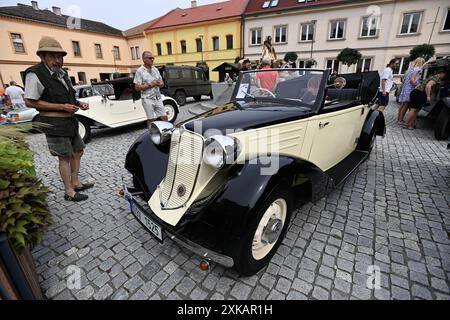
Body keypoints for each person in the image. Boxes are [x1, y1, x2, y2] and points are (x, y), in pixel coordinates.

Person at [24, 36, 93, 202]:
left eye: (59, 56)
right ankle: (69, 191)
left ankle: (76, 183)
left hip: (69, 121)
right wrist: (62, 107)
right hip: (54, 123)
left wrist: (78, 103)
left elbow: (66, 96)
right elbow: (30, 101)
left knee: (78, 151)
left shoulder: (62, 73)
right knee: (64, 157)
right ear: (42, 56)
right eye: (52, 56)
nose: (57, 60)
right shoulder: (35, 74)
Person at [134, 51, 167, 128]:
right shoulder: (140, 71)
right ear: (144, 59)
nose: (152, 59)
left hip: (157, 97)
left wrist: (159, 84)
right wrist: (150, 85)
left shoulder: (155, 69)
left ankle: (166, 133)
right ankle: (152, 135)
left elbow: (162, 83)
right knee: (151, 119)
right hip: (147, 98)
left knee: (164, 118)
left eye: (153, 58)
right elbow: (137, 87)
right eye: (150, 58)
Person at [397, 57, 425, 125]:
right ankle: (401, 121)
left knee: (403, 105)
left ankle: (399, 119)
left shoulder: (410, 69)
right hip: (410, 89)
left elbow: (404, 79)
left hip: (405, 88)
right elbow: (412, 80)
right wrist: (417, 86)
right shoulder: (418, 70)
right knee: (406, 105)